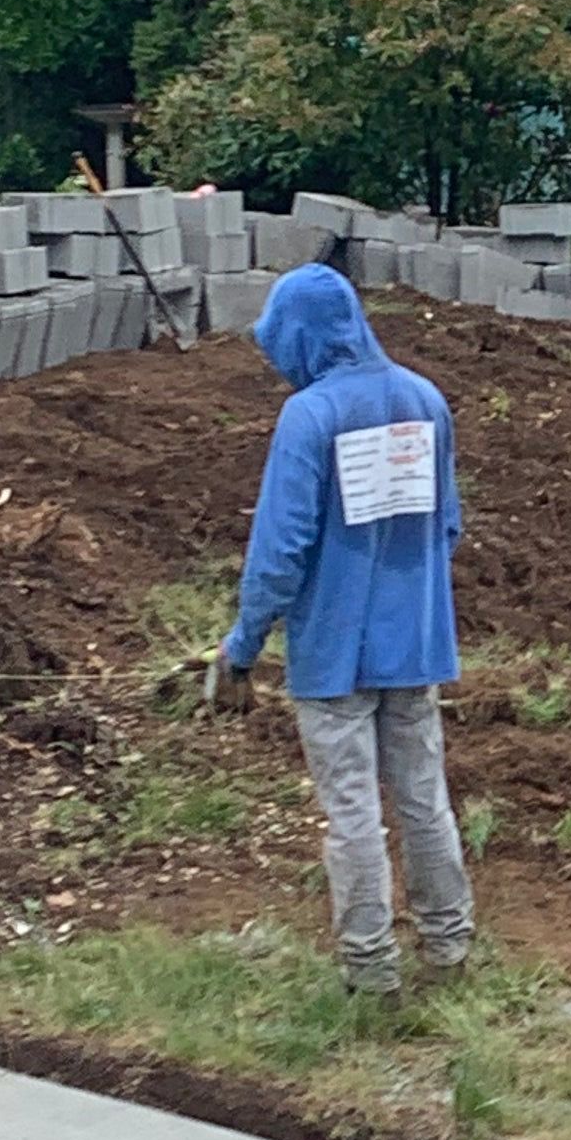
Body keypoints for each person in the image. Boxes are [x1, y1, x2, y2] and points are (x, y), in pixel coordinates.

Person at [218, 263, 473, 996]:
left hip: (333, 655)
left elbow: (281, 550)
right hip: (417, 645)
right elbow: (446, 524)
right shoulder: (426, 400)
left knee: (354, 812)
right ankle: (449, 951)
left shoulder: (311, 416)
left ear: (300, 337)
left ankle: (370, 975)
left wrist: (243, 645)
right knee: (424, 798)